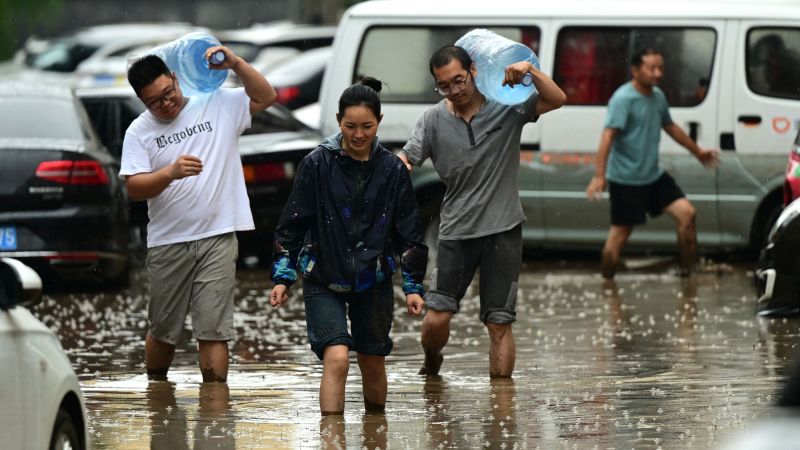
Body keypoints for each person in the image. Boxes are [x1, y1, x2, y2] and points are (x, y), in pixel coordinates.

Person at [398, 45, 567, 378]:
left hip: (503, 230)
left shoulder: (508, 107)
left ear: (473, 70)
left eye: (459, 80)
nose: (454, 91)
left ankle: (501, 406)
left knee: (498, 323)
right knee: (437, 318)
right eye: (444, 85)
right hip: (456, 233)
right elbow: (408, 159)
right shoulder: (433, 120)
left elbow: (558, 98)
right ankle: (432, 360)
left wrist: (530, 72)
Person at [269, 77, 427, 415]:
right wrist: (282, 277)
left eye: (367, 126)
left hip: (375, 278)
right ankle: (331, 436)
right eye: (350, 126)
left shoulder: (392, 171)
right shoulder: (317, 164)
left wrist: (413, 287)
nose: (358, 134)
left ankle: (376, 432)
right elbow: (291, 225)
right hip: (322, 275)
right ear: (338, 121)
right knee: (337, 357)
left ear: (379, 123)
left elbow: (410, 234)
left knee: (372, 361)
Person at [120, 47, 277, 382]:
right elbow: (134, 187)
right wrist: (169, 173)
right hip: (168, 242)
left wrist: (234, 63)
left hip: (218, 235)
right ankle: (157, 393)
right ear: (142, 102)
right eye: (155, 102)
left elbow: (267, 95)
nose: (166, 103)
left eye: (169, 92)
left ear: (176, 79)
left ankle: (216, 413)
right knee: (163, 330)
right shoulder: (139, 132)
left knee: (213, 329)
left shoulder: (217, 102)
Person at [585, 48, 719, 280]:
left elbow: (671, 126)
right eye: (652, 68)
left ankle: (688, 275)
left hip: (653, 176)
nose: (658, 73)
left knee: (687, 215)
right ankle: (607, 284)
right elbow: (608, 136)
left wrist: (697, 152)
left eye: (661, 68)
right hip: (626, 180)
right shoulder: (623, 99)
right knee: (619, 237)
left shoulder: (657, 96)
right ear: (635, 70)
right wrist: (599, 175)